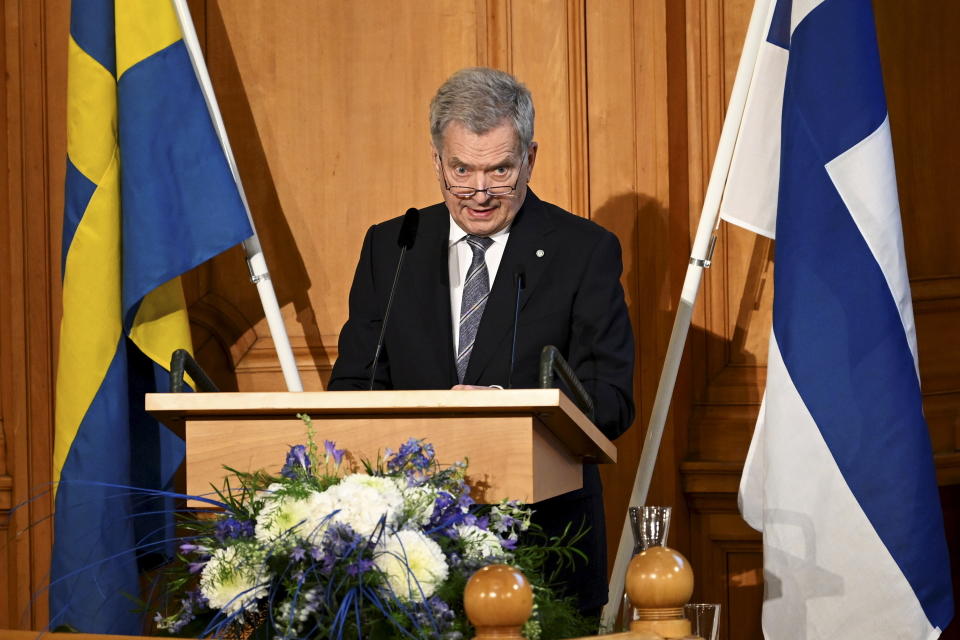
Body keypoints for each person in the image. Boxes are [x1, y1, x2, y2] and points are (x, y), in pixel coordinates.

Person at [329, 67, 635, 613]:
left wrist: (511, 411)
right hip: (407, 548)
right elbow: (353, 388)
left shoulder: (582, 251)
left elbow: (610, 401)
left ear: (530, 159)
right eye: (461, 170)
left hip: (545, 540)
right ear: (437, 160)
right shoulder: (392, 246)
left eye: (500, 170)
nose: (479, 192)